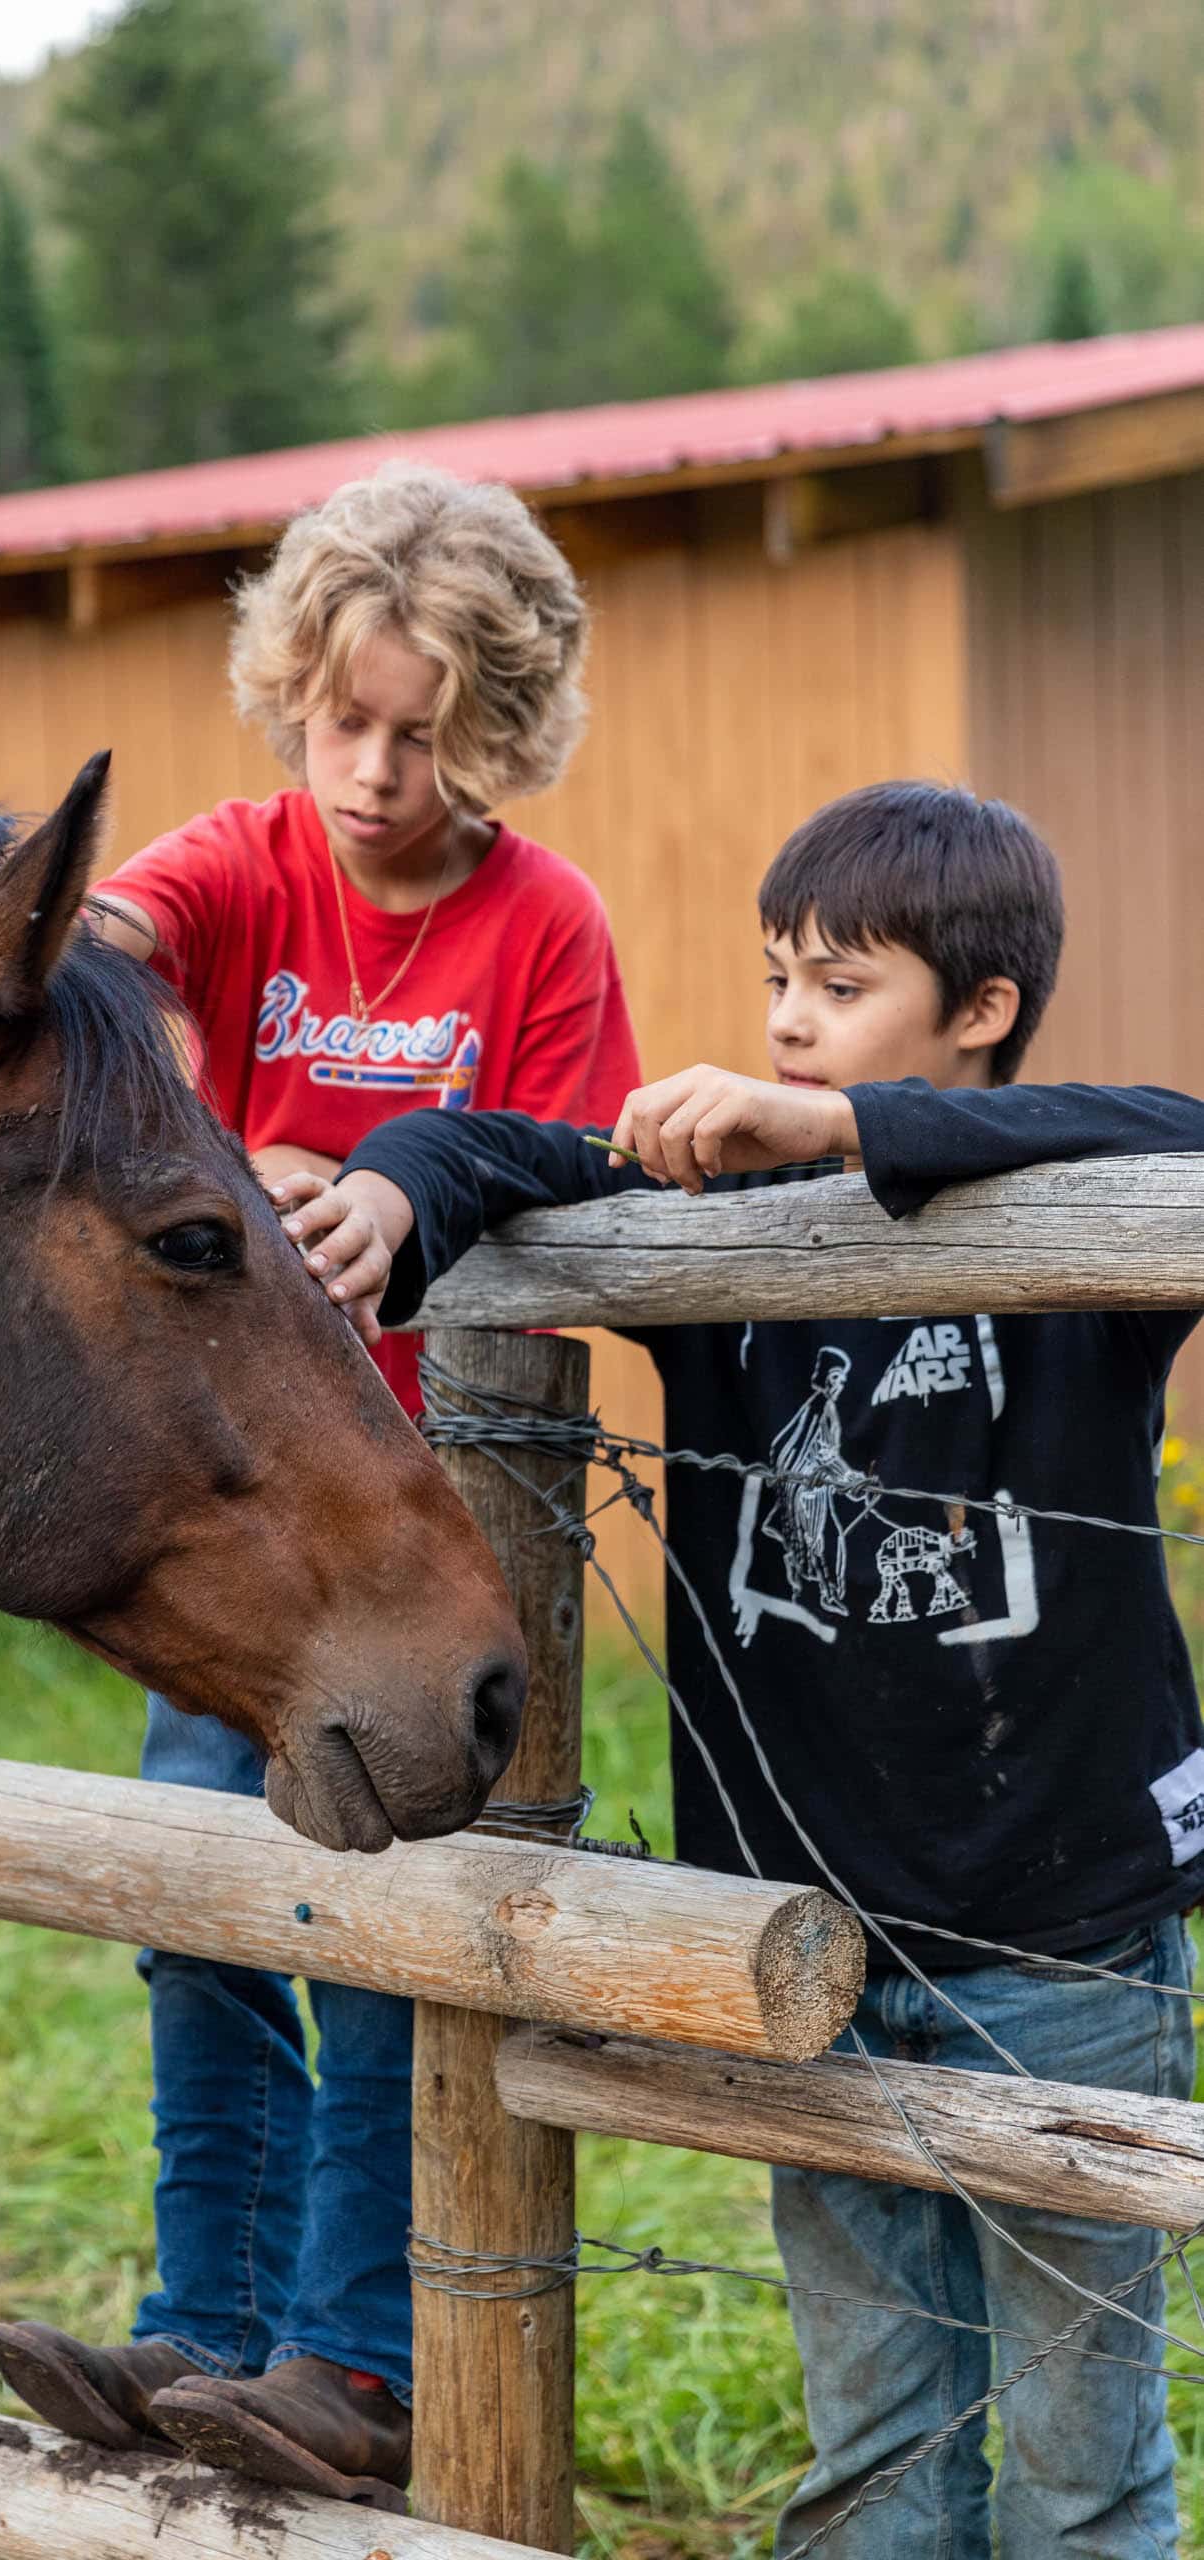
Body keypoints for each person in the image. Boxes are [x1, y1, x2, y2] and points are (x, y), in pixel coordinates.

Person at [283, 778, 1204, 2557]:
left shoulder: (1092, 1215)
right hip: (810, 1941)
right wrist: (395, 1200)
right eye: (779, 976)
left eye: (840, 983)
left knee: (1089, 2458)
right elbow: (494, 1148)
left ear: (982, 1011)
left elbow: (1185, 1129)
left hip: (1066, 1932)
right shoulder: (720, 1212)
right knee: (875, 2443)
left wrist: (858, 1124)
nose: (786, 1018)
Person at [0, 460, 640, 2506]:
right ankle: (207, 2323)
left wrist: (402, 1187)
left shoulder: (540, 926)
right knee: (202, 1901)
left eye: (419, 732)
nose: (366, 770)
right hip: (243, 1519)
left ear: (495, 724)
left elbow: (585, 1162)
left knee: (373, 1938)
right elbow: (105, 941)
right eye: (341, 717)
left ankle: (353, 2358)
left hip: (434, 1532)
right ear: (292, 690)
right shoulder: (249, 862)